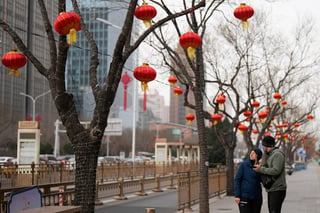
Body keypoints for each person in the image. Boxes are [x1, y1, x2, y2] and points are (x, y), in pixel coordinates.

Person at [253, 136, 287, 213]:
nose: (262, 147)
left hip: (277, 189)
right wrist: (263, 166)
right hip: (273, 188)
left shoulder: (277, 154)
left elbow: (276, 170)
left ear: (266, 145)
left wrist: (260, 169)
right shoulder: (272, 154)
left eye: (263, 145)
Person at [234, 148, 263, 213]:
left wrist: (260, 170)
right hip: (244, 196)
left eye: (253, 153)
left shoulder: (260, 167)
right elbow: (237, 180)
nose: (251, 154)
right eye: (251, 153)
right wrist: (237, 195)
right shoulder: (243, 165)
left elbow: (263, 181)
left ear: (257, 156)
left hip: (257, 197)